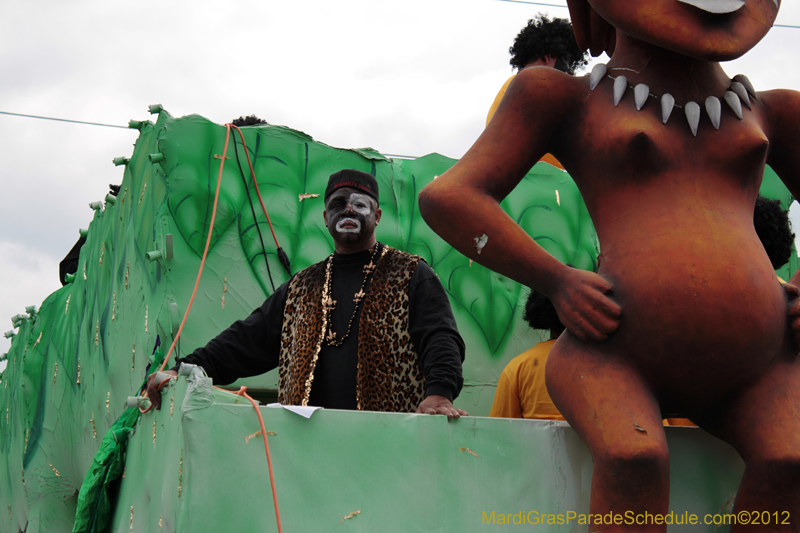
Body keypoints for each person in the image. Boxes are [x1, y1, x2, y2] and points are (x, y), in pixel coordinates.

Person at [420, 0, 800, 526]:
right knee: (634, 458)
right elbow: (451, 197)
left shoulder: (773, 112)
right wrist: (555, 279)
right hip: (615, 353)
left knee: (790, 459)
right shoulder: (562, 97)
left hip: (760, 366)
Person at [148, 169, 467, 418]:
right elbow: (247, 339)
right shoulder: (303, 285)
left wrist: (439, 393)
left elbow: (440, 337)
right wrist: (185, 368)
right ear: (326, 217)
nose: (349, 211)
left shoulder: (409, 272)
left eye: (360, 204)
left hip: (389, 436)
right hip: (307, 448)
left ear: (377, 216)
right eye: (338, 204)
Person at [485, 14, 588, 174]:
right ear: (548, 56)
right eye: (566, 62)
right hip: (538, 185)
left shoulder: (512, 85)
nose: (569, 72)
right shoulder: (536, 85)